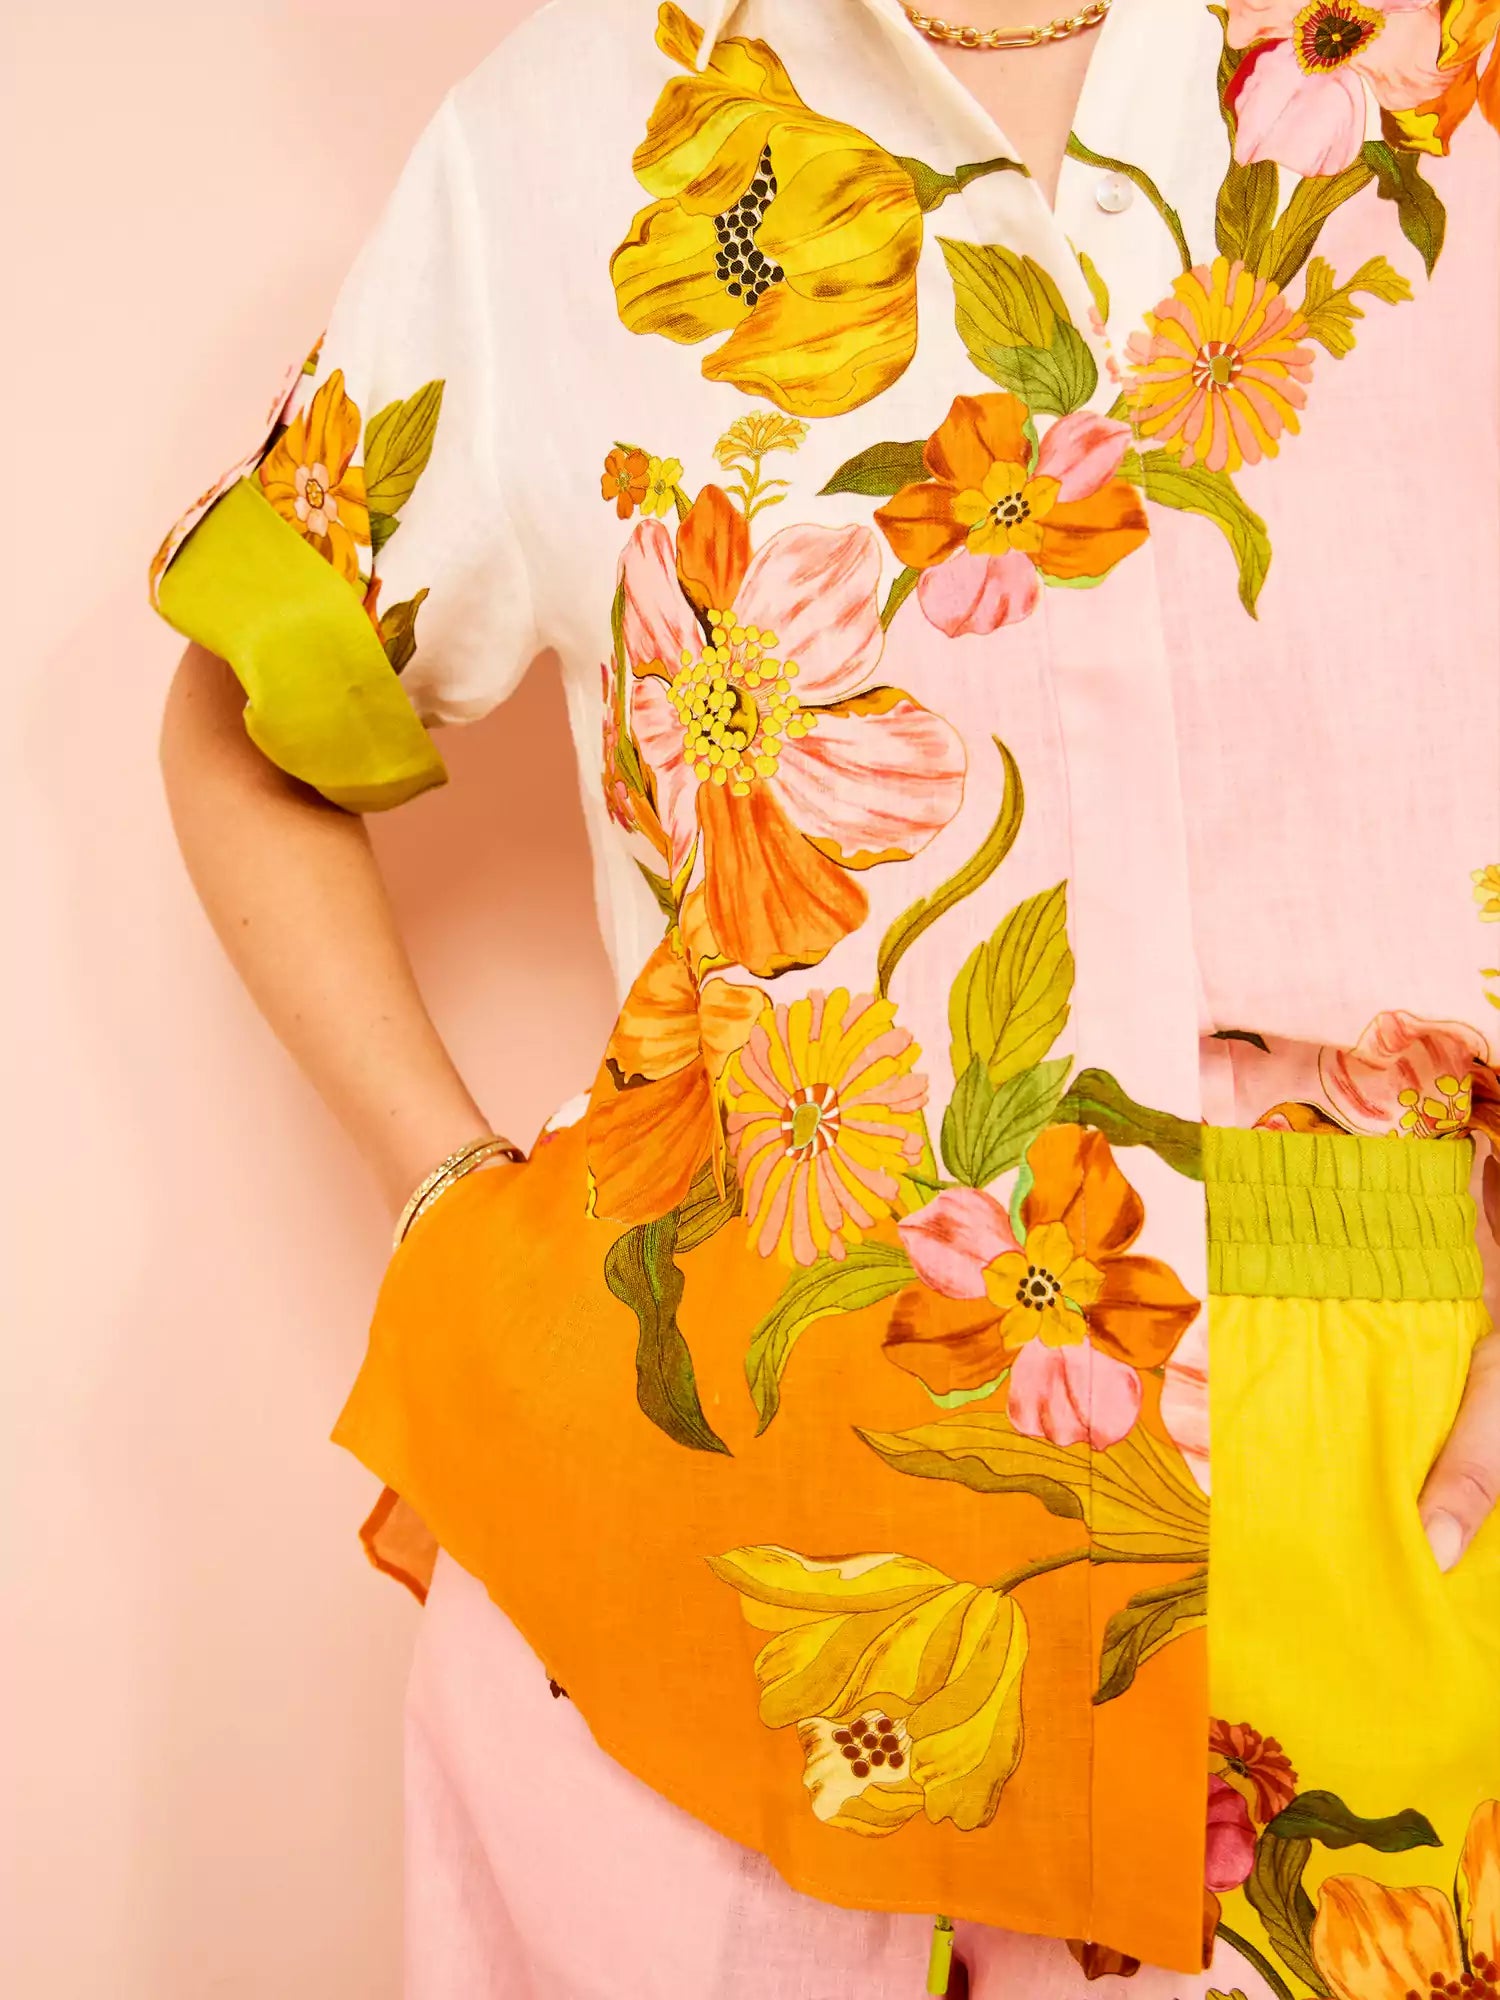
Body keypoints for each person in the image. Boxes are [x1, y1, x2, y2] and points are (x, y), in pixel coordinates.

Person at [153, 0, 1500, 1993]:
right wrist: (443, 1208)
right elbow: (248, 711)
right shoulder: (576, 133)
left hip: (1387, 1481)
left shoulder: (1451, 86)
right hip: (730, 1521)